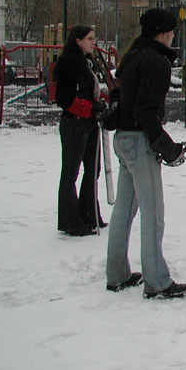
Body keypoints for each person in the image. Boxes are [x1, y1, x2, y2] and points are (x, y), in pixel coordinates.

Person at [105, 8, 186, 299]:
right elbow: (146, 112)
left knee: (124, 211)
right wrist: (167, 148)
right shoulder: (156, 62)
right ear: (164, 33)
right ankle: (156, 280)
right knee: (152, 214)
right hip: (140, 142)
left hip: (124, 139)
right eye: (172, 32)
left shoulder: (131, 56)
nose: (173, 37)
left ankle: (117, 274)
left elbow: (122, 99)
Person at [53, 24, 107, 237]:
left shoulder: (88, 63)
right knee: (70, 173)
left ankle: (89, 214)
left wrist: (101, 104)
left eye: (94, 38)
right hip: (74, 123)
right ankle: (71, 222)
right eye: (90, 38)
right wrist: (90, 108)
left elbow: (90, 91)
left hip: (89, 123)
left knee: (93, 169)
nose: (94, 42)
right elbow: (64, 99)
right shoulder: (68, 64)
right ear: (77, 40)